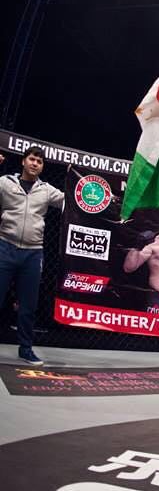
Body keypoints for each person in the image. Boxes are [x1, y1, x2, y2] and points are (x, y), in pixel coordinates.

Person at [0, 146, 64, 366]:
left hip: (33, 253)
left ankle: (25, 349)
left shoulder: (46, 190)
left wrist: (79, 183)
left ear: (42, 166)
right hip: (5, 247)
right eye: (32, 159)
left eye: (39, 161)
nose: (35, 163)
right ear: (23, 161)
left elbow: (71, 202)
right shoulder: (5, 183)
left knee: (28, 306)